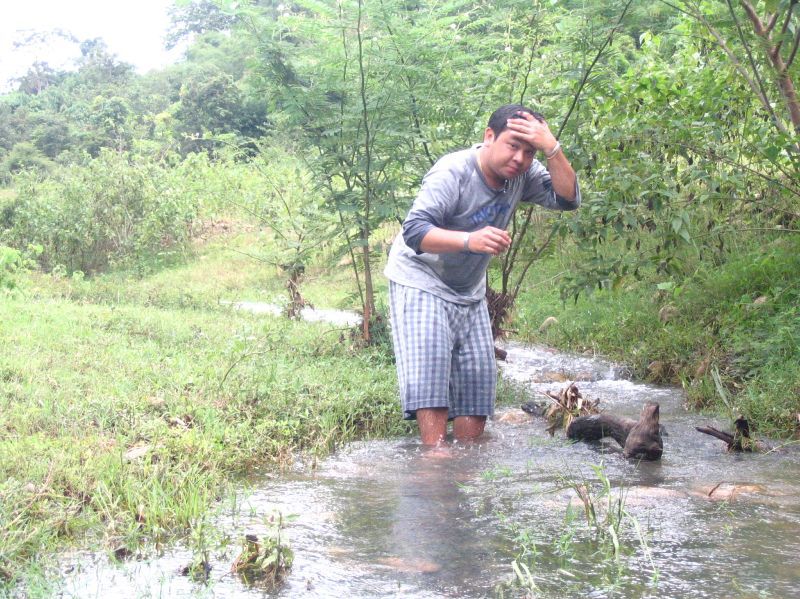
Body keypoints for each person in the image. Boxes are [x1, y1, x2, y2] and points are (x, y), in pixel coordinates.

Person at [384, 103, 581, 446]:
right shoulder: (452, 171)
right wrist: (469, 240)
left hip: (467, 287)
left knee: (478, 379)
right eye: (512, 146)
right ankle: (434, 459)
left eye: (529, 151)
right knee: (431, 375)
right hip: (420, 277)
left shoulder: (522, 174)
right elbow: (415, 232)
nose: (519, 158)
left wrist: (552, 148)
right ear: (489, 137)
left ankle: (467, 465)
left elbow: (567, 199)